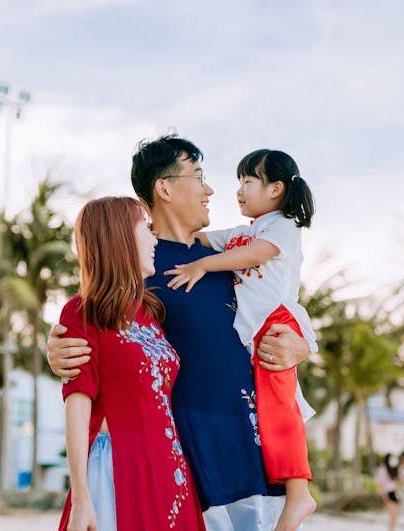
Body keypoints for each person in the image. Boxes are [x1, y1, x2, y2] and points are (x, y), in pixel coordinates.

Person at [48, 135, 312, 531]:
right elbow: (98, 322)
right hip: (193, 462)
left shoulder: (230, 258)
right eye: (199, 176)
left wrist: (302, 346)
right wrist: (56, 347)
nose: (210, 189)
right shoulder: (142, 265)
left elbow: (280, 308)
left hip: (263, 454)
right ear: (165, 187)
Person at [164, 148, 317, 531]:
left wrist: (201, 265)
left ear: (277, 189)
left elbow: (254, 255)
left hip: (275, 321)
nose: (237, 191)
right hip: (259, 329)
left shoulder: (281, 226)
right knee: (273, 407)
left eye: (248, 181)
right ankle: (295, 493)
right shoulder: (248, 230)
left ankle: (299, 494)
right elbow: (207, 238)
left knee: (282, 407)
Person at [58, 196, 205, 531]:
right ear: (119, 236)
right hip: (118, 471)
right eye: (146, 230)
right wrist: (82, 496)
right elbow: (77, 408)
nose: (154, 239)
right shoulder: (82, 312)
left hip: (170, 471)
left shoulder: (149, 315)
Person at [375, 454, 399, 531]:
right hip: (388, 493)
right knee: (392, 515)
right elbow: (381, 484)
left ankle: (392, 529)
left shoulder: (393, 469)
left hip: (394, 493)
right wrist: (384, 497)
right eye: (392, 458)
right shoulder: (382, 469)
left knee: (395, 516)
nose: (394, 460)